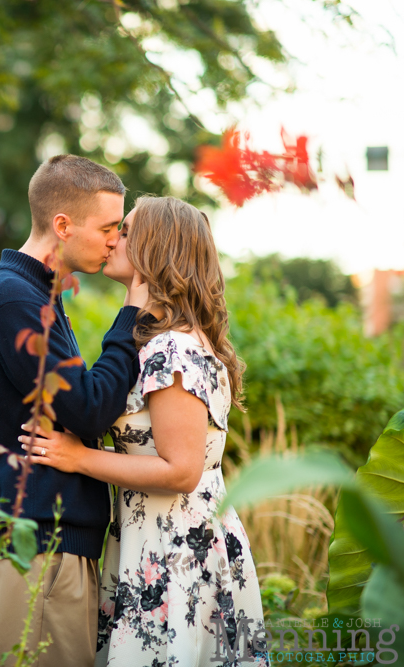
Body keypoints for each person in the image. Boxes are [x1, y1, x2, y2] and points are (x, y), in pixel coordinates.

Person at [20, 196, 270, 666]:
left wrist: (78, 458)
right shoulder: (163, 340)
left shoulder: (171, 350)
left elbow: (181, 471)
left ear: (157, 248)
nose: (114, 238)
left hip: (176, 552)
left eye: (127, 230)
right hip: (152, 540)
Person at [0, 154, 149, 667]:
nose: (116, 241)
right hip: (37, 550)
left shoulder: (35, 295)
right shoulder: (14, 299)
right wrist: (131, 318)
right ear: (63, 225)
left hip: (51, 548)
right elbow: (88, 408)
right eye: (108, 228)